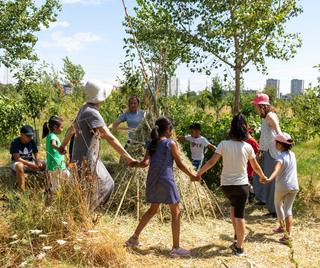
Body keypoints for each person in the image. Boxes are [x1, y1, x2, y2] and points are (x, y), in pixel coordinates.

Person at [126, 116, 199, 257]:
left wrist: (134, 163)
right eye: (172, 129)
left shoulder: (151, 144)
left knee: (153, 209)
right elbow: (179, 164)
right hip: (166, 180)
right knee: (176, 211)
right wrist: (192, 175)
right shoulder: (171, 144)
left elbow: (145, 163)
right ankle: (176, 248)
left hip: (152, 180)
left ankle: (133, 238)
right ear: (169, 129)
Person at [58, 80, 137, 210]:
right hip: (87, 160)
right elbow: (109, 138)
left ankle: (84, 216)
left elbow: (72, 128)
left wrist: (63, 145)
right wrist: (129, 158)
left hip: (83, 158)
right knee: (106, 185)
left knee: (97, 187)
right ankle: (86, 215)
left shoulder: (84, 109)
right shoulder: (93, 113)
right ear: (102, 99)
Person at [197, 113, 267, 257]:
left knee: (233, 207)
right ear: (244, 129)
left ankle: (236, 237)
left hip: (226, 186)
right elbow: (256, 167)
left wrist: (199, 173)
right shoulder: (247, 147)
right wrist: (263, 177)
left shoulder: (223, 144)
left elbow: (211, 162)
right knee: (240, 215)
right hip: (242, 185)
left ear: (231, 128)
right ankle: (239, 248)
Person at [260, 133, 298, 244]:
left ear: (280, 145)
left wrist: (268, 179)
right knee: (288, 209)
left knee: (278, 205)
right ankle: (288, 235)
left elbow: (276, 171)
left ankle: (282, 228)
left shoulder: (280, 157)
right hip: (294, 186)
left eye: (276, 143)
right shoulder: (293, 154)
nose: (275, 145)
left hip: (282, 187)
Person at [251, 93, 281, 217]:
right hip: (267, 151)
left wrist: (281, 140)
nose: (255, 108)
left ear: (262, 106)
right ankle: (264, 200)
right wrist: (259, 150)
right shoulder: (266, 117)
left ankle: (273, 210)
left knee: (269, 182)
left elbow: (277, 129)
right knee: (259, 178)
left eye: (256, 105)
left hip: (273, 152)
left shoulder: (270, 115)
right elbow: (265, 137)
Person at [42, 115, 70, 207]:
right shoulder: (52, 136)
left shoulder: (52, 135)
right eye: (61, 127)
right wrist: (59, 148)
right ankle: (47, 206)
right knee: (55, 188)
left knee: (67, 178)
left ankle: (60, 202)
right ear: (55, 127)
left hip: (59, 166)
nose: (62, 129)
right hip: (55, 166)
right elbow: (53, 144)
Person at [10, 125, 46, 191]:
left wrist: (38, 162)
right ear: (21, 134)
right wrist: (29, 164)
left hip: (31, 161)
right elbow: (17, 158)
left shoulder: (32, 141)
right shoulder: (14, 142)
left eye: (31, 136)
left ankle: (48, 188)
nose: (30, 137)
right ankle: (22, 191)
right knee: (20, 166)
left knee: (47, 164)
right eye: (28, 136)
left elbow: (36, 154)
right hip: (18, 162)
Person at [245, 124, 259, 203]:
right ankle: (252, 190)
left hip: (250, 165)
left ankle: (246, 199)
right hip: (243, 164)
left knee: (245, 182)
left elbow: (257, 153)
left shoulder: (252, 141)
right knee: (245, 182)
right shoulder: (242, 141)